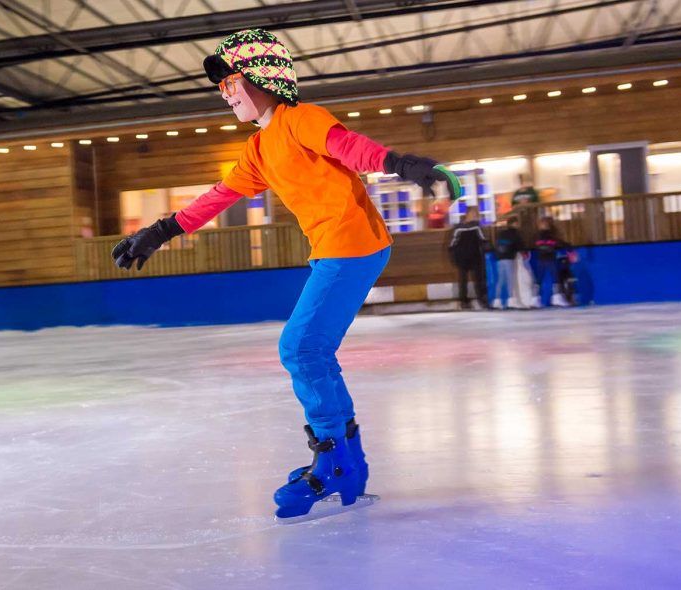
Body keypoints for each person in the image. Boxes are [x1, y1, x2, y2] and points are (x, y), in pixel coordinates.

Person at [110, 29, 460, 521]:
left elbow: (349, 147)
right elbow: (220, 196)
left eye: (230, 82)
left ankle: (333, 461)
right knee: (314, 351)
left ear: (263, 78)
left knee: (300, 348)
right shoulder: (259, 147)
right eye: (221, 87)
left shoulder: (301, 119)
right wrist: (162, 230)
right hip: (335, 249)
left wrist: (403, 165)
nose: (225, 94)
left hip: (353, 244)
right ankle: (348, 464)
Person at [449, 207, 488, 310]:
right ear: (468, 214)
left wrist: (486, 249)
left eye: (476, 214)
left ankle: (481, 300)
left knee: (478, 279)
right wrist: (454, 257)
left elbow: (483, 240)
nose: (475, 216)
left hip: (474, 256)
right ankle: (465, 301)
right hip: (464, 257)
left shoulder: (475, 226)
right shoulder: (460, 228)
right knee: (464, 280)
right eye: (473, 214)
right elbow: (452, 244)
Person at [533, 217, 571, 307]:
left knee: (541, 278)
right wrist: (567, 246)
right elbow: (557, 244)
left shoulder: (537, 236)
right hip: (548, 258)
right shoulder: (550, 236)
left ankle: (535, 298)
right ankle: (555, 297)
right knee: (553, 278)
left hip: (543, 258)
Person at [491, 216, 525, 309]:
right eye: (516, 223)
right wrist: (523, 251)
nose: (518, 225)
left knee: (501, 280)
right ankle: (511, 299)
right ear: (514, 223)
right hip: (509, 258)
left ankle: (497, 300)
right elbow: (519, 245)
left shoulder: (501, 234)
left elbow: (497, 245)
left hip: (499, 258)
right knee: (511, 279)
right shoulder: (515, 233)